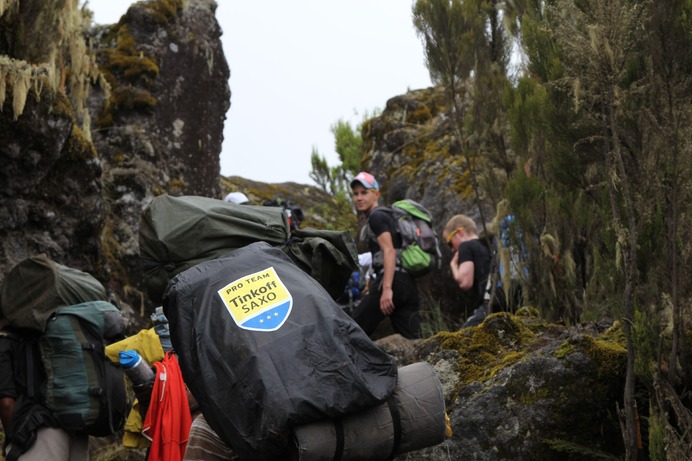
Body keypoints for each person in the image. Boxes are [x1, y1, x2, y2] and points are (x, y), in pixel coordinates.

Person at [0, 319, 89, 461]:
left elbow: (6, 404)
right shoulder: (61, 333)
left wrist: (16, 437)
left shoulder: (6, 342)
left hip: (37, 435)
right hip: (77, 430)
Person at [349, 171, 422, 339]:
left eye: (364, 193)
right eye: (355, 194)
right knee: (414, 342)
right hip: (407, 284)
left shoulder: (376, 217)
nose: (359, 198)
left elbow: (388, 250)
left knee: (352, 330)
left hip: (391, 282)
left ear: (376, 194)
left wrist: (387, 289)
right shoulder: (388, 215)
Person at [443, 214, 491, 328]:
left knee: (463, 335)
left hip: (488, 305)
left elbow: (465, 282)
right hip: (500, 299)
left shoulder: (466, 246)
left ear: (460, 233)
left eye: (450, 242)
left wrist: (453, 265)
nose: (452, 249)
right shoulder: (486, 244)